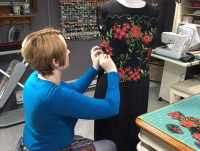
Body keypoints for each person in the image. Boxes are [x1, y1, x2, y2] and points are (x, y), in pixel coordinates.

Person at [15, 28, 120, 151]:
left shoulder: (35, 78)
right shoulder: (55, 96)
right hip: (49, 148)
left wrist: (94, 68)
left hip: (30, 144)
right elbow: (112, 107)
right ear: (55, 62)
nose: (69, 52)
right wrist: (112, 72)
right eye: (65, 49)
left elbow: (74, 89)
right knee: (109, 145)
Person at [94, 0, 160, 150]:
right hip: (111, 81)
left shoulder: (153, 12)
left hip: (139, 85)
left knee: (133, 132)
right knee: (108, 132)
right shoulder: (106, 9)